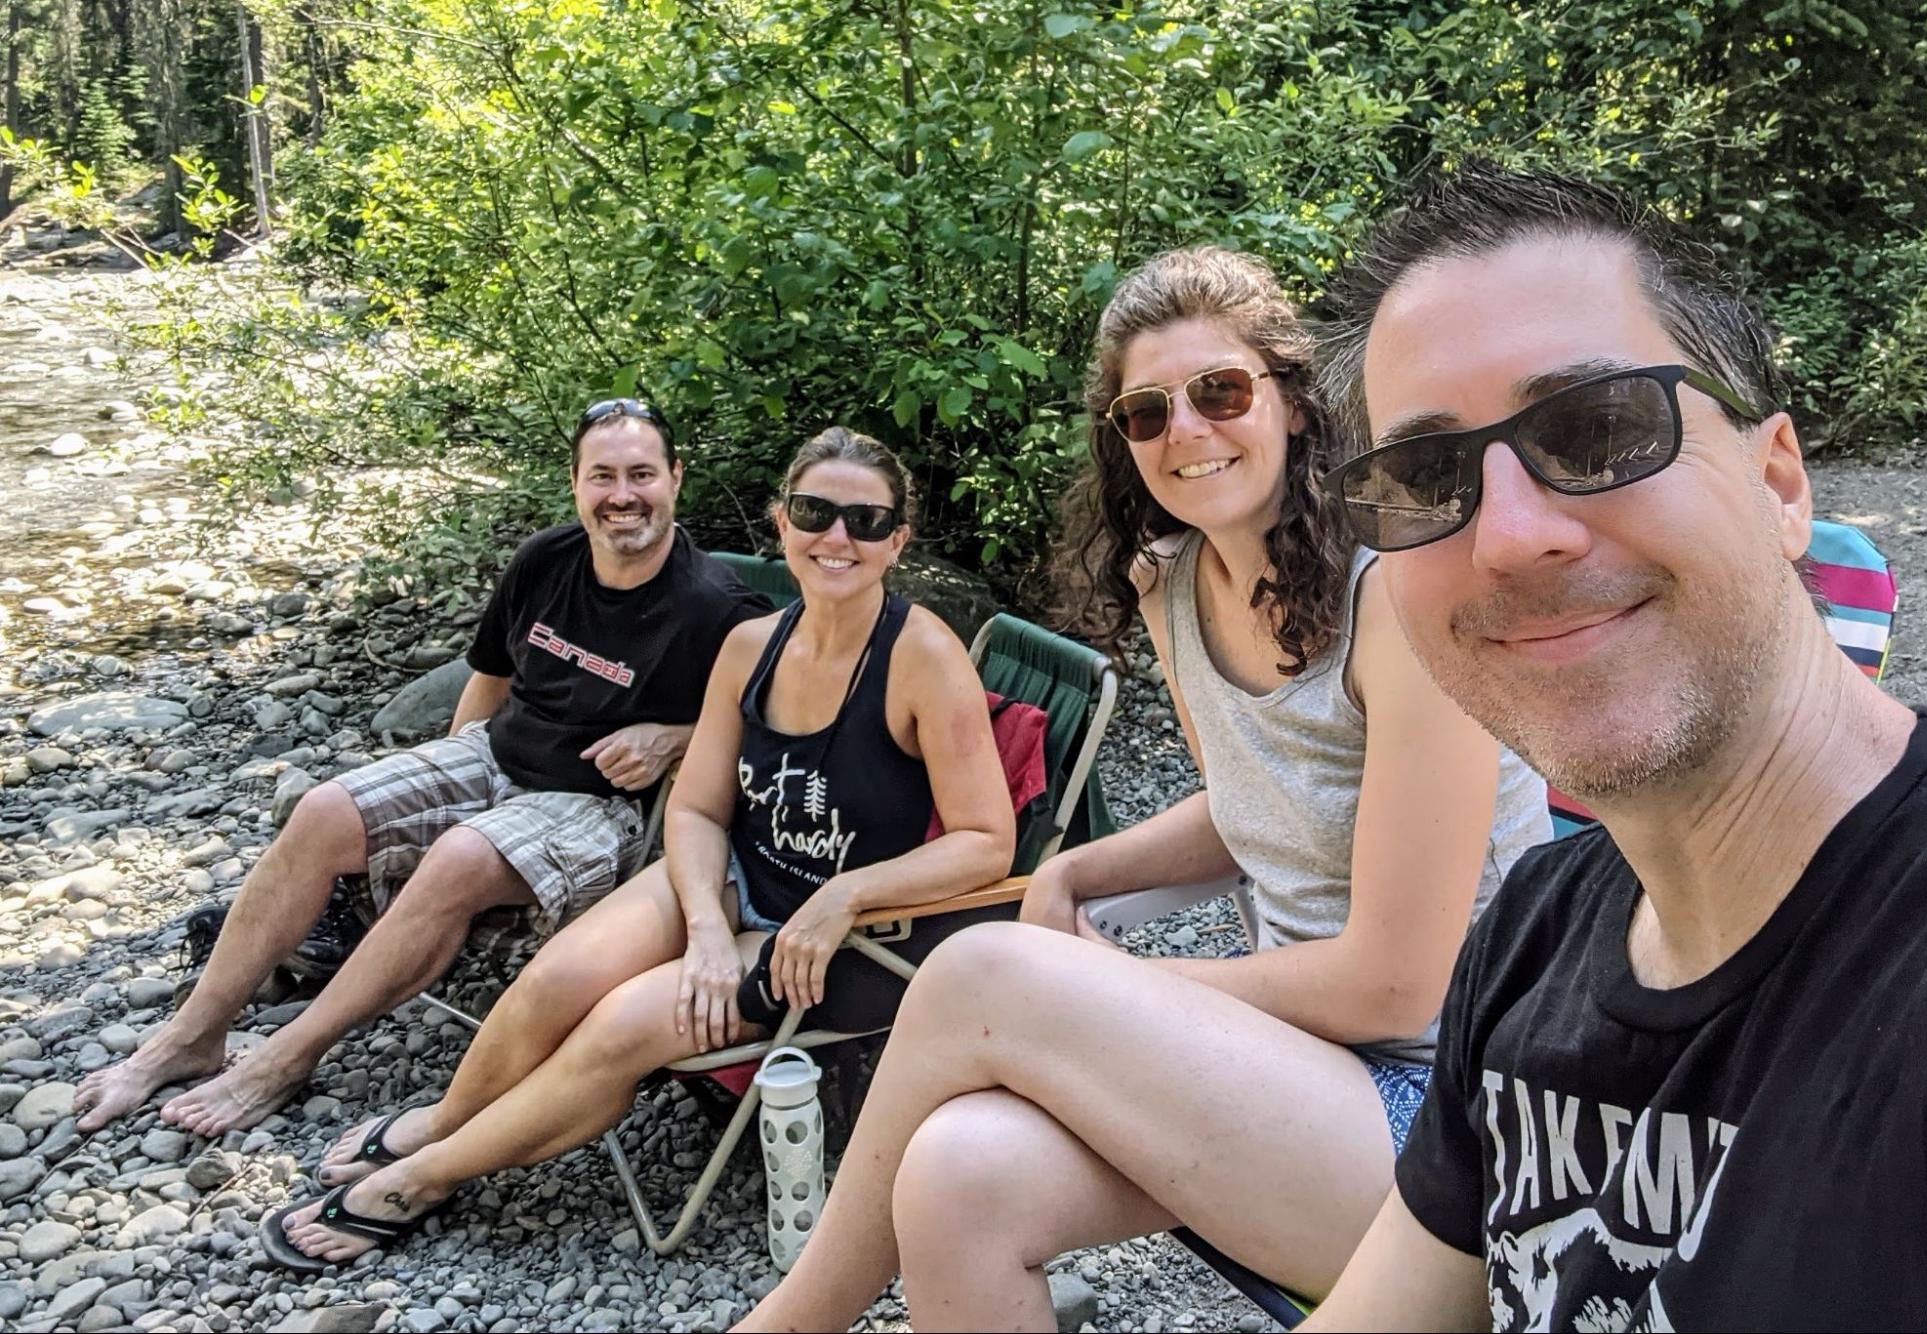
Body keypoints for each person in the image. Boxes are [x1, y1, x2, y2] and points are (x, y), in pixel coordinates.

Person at [740, 246, 1549, 1332]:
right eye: (1146, 412)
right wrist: (1079, 867)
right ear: (1122, 444)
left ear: (1294, 403)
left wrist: (1096, 991)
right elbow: (1250, 803)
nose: (1189, 431)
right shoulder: (1172, 583)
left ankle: (788, 1320)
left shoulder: (1400, 596)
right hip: (1308, 1077)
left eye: (1219, 391)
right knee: (954, 1174)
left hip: (1471, 1120)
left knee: (984, 968)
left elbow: (1399, 988)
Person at [1299, 164, 1927, 1331]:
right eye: (1425, 478)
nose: (1511, 539)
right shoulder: (1534, 932)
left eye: (1598, 428)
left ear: (1779, 482)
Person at [260, 426, 1018, 1271]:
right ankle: (446, 1119)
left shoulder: (922, 659)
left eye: (865, 522)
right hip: (735, 880)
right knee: (558, 977)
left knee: (619, 1023)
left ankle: (425, 1176)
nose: (837, 538)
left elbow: (988, 843)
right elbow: (695, 809)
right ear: (780, 522)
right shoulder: (751, 645)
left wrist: (837, 898)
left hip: (846, 936)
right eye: (814, 512)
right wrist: (701, 929)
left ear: (897, 542)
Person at [73, 400, 767, 1137]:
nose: (622, 495)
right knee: (322, 811)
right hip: (493, 754)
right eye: (603, 476)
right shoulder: (547, 559)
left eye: (641, 475)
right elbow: (489, 678)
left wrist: (676, 736)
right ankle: (192, 1036)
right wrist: (450, 763)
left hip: (599, 804)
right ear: (575, 484)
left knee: (458, 858)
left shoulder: (717, 607)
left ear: (675, 481)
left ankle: (285, 1057)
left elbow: (784, 728)